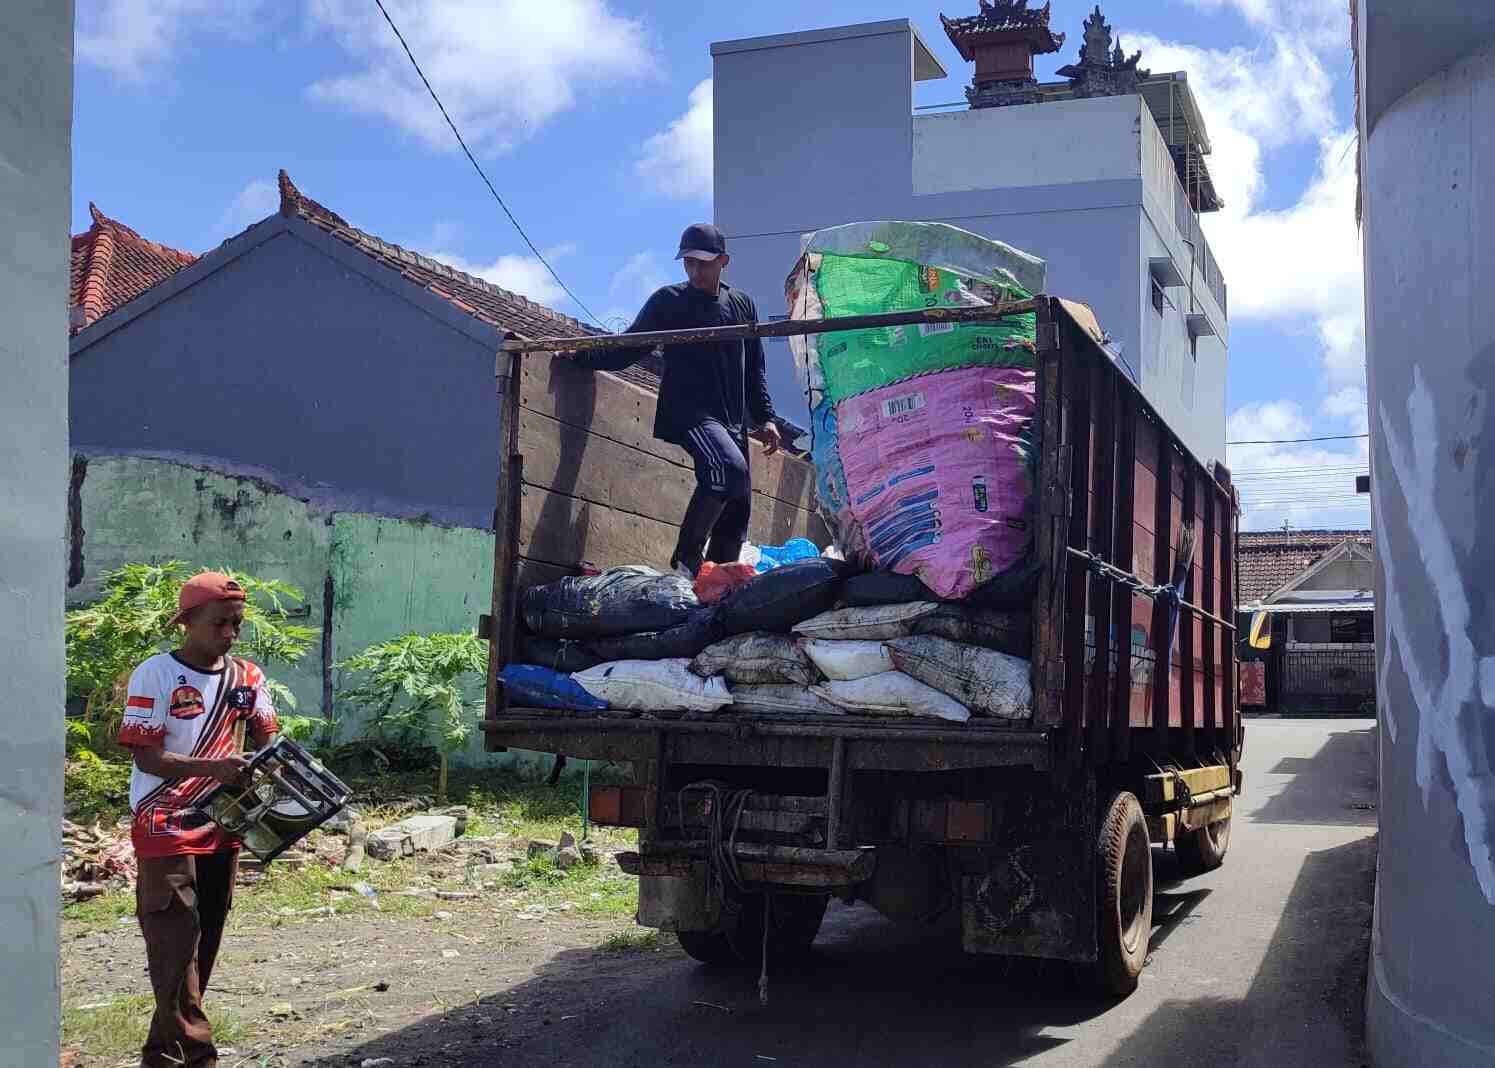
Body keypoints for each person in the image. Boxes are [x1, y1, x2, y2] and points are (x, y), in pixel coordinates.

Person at [116, 571, 280, 1068]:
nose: (229, 634)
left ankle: (163, 1056)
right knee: (173, 944)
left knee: (201, 944)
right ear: (187, 622)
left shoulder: (247, 677)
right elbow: (148, 756)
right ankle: (199, 1056)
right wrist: (215, 768)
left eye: (236, 624)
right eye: (218, 624)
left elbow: (268, 736)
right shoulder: (156, 674)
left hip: (222, 824)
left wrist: (265, 761)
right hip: (163, 821)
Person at [565, 223, 780, 576]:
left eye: (703, 263)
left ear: (723, 261)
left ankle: (719, 581)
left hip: (732, 418)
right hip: (689, 412)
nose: (694, 270)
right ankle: (686, 559)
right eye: (688, 263)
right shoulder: (669, 302)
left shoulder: (742, 304)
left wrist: (766, 417)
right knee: (728, 469)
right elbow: (628, 348)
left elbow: (754, 368)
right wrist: (580, 355)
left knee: (738, 503)